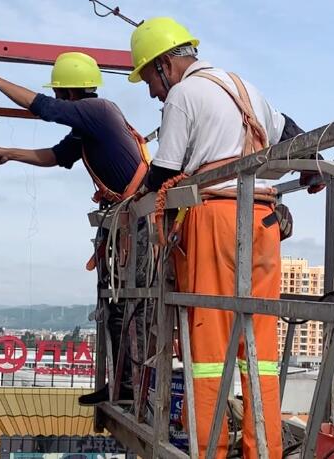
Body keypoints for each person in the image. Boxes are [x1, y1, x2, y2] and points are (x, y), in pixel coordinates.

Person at [128, 17, 322, 458]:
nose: (152, 92)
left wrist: (134, 201)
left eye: (149, 80)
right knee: (260, 349)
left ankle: (209, 450)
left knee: (209, 351)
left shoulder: (182, 94)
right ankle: (265, 452)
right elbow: (290, 129)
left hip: (217, 219)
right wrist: (313, 166)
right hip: (263, 220)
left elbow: (165, 170)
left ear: (164, 65)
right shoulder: (243, 87)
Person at [0, 51, 149, 405]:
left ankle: (132, 389)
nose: (58, 100)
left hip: (135, 222)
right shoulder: (89, 125)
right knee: (117, 306)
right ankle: (123, 386)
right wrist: (11, 153)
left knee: (131, 307)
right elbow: (58, 156)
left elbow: (43, 108)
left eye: (60, 94)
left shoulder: (97, 111)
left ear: (67, 92)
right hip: (125, 221)